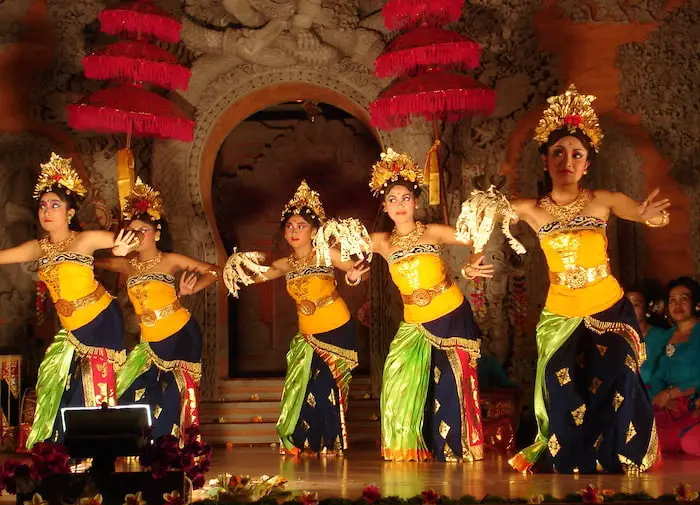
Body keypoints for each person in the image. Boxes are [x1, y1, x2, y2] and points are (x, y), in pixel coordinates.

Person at [503, 85, 667, 473]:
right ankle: (571, 460)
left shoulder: (602, 200)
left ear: (586, 164)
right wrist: (475, 253)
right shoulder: (531, 209)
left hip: (607, 306)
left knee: (617, 381)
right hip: (561, 310)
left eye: (576, 154)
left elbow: (640, 212)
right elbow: (477, 221)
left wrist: (651, 217)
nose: (567, 160)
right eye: (558, 153)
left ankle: (618, 458)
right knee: (560, 390)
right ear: (545, 160)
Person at [0, 153, 135, 449]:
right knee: (53, 385)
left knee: (91, 390)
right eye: (43, 206)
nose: (47, 211)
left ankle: (95, 456)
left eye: (56, 205)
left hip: (100, 322)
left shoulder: (83, 240)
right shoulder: (39, 247)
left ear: (70, 212)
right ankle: (59, 456)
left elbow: (124, 239)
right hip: (72, 331)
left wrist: (123, 247)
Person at [368, 149, 493, 462]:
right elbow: (335, 247)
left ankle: (457, 449)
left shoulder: (433, 232)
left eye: (405, 197)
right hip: (414, 321)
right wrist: (354, 271)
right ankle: (408, 448)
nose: (399, 204)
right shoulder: (382, 241)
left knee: (452, 385)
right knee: (397, 380)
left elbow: (476, 236)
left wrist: (470, 267)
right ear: (384, 205)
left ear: (416, 201)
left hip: (450, 313)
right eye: (392, 199)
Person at [224, 180, 364, 456]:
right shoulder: (287, 264)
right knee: (306, 387)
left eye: (301, 225)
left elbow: (355, 269)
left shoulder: (326, 253)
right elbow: (258, 274)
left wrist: (353, 275)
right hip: (308, 333)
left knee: (327, 387)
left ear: (314, 230)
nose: (294, 230)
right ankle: (308, 442)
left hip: (336, 328)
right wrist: (235, 268)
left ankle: (330, 443)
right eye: (290, 226)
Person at [95, 179, 218, 439]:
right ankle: (141, 447)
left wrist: (192, 289)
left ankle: (173, 451)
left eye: (144, 230)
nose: (137, 236)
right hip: (148, 340)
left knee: (176, 395)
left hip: (180, 333)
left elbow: (215, 271)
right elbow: (91, 260)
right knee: (130, 389)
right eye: (133, 230)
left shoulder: (170, 260)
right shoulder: (126, 264)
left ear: (157, 233)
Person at [648, 277, 700, 455]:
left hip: (694, 403)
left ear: (695, 303)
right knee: (639, 434)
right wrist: (663, 397)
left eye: (684, 299)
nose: (677, 304)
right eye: (672, 300)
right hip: (669, 406)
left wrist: (673, 393)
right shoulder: (666, 336)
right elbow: (655, 374)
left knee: (689, 442)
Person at [626, 284, 666, 387]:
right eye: (626, 304)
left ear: (647, 308)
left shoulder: (661, 336)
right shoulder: (618, 337)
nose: (630, 309)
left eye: (636, 305)